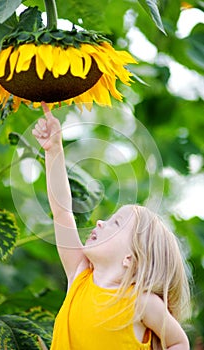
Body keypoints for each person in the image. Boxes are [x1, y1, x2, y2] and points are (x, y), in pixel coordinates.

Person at [32, 102, 191, 350]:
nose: (99, 221)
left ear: (131, 258)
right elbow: (62, 211)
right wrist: (54, 151)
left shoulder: (141, 303)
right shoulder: (79, 277)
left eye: (115, 223)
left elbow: (179, 342)